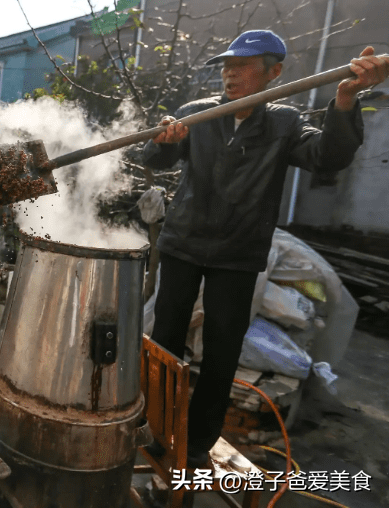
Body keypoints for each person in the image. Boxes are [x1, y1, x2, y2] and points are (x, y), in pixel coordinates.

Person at [141, 30, 388, 467]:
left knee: (221, 351)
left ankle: (197, 444)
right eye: (226, 65)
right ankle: (158, 430)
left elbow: (327, 157)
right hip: (183, 244)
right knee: (164, 342)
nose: (229, 73)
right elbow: (155, 160)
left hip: (239, 253)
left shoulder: (285, 122)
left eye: (243, 65)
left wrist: (346, 100)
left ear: (275, 72)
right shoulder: (196, 114)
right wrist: (162, 141)